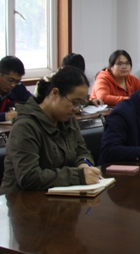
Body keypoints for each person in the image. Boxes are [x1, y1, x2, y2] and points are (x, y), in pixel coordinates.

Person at [0, 66, 102, 194]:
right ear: (54, 93)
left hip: (57, 196)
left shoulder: (68, 119)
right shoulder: (26, 126)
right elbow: (29, 177)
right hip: (21, 200)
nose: (77, 109)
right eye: (75, 102)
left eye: (81, 104)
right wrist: (78, 175)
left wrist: (84, 165)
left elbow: (82, 151)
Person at [35, 53, 104, 108]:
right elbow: (41, 107)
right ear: (62, 69)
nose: (74, 79)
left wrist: (90, 102)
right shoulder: (46, 83)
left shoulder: (79, 81)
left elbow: (78, 100)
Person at [0, 56, 32, 123]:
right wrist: (5, 116)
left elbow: (33, 102)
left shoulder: (18, 86)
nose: (13, 85)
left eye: (17, 81)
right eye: (10, 80)